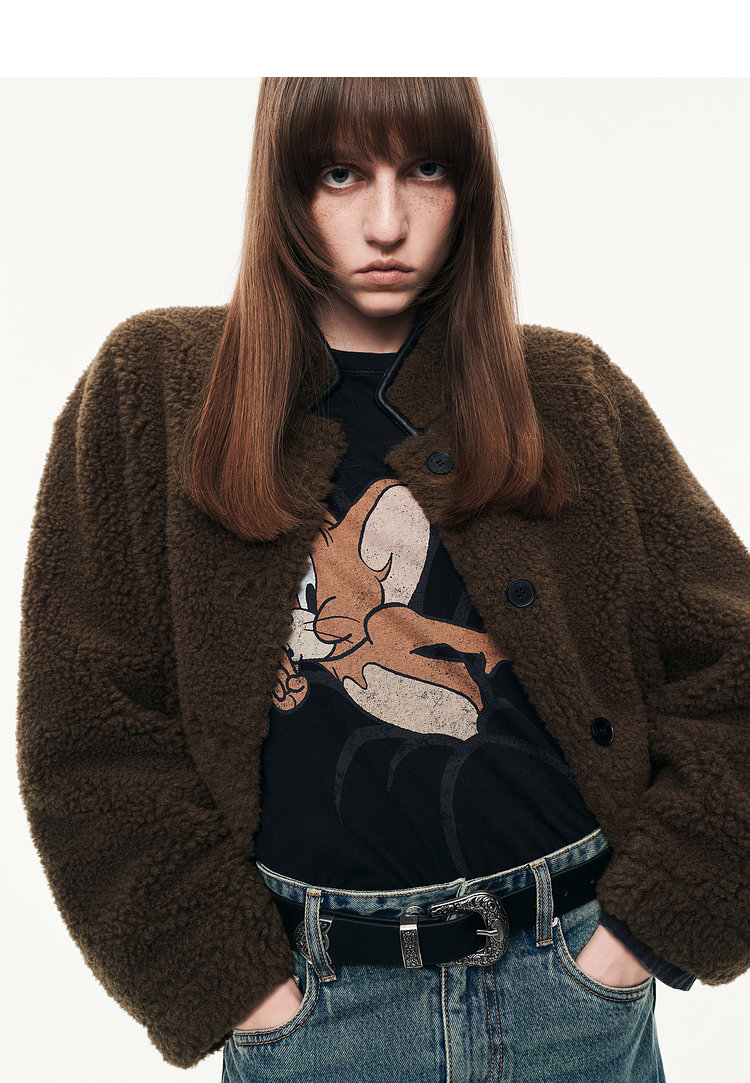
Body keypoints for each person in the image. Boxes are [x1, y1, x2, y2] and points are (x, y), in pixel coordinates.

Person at [16, 77, 750, 1082]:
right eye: (341, 173)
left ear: (470, 186)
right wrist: (236, 987)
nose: (388, 221)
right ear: (284, 185)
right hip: (315, 1012)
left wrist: (641, 936)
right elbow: (89, 730)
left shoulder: (565, 390)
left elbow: (734, 668)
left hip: (573, 991)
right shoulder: (158, 388)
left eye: (426, 170)